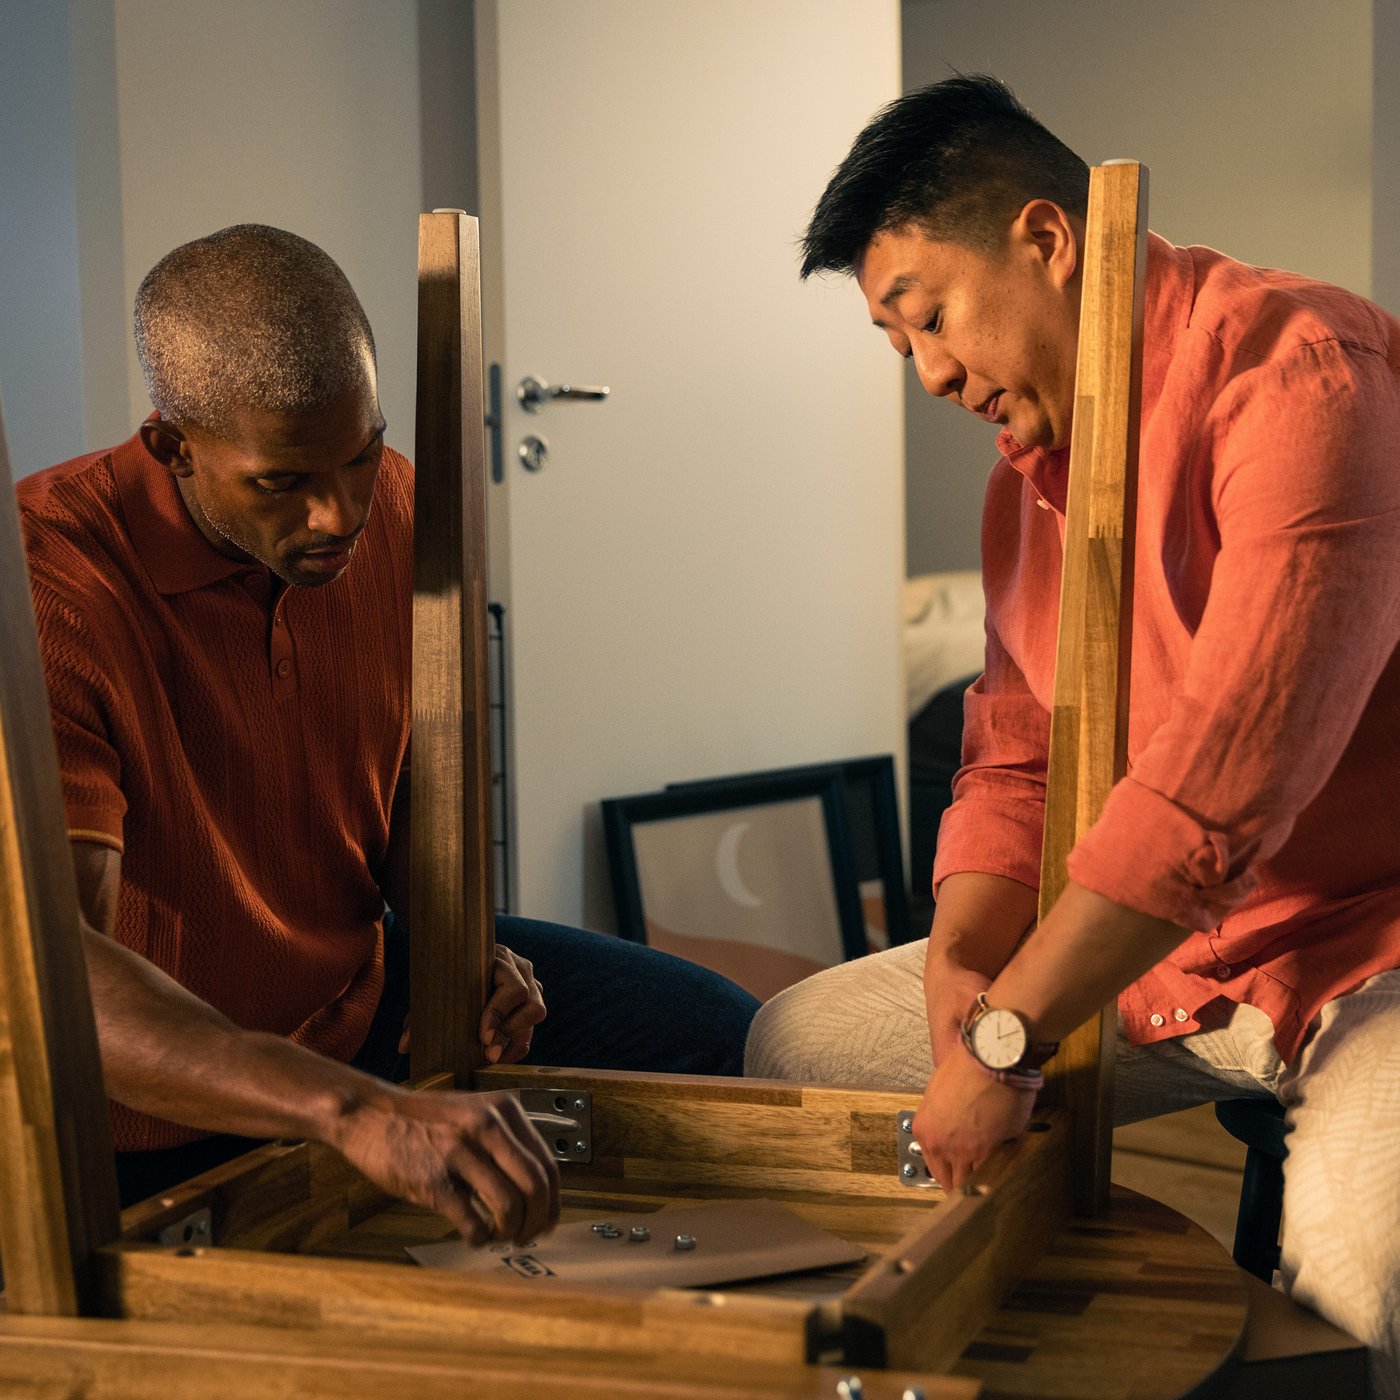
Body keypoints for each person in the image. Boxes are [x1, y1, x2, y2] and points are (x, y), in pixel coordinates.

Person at [744, 75, 1400, 1393]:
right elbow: (1012, 761)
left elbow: (1226, 793)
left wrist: (1010, 1037)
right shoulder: (1025, 485)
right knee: (799, 1048)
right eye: (896, 346)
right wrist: (964, 988)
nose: (928, 374)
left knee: (1357, 1277)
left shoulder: (1307, 374)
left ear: (1048, 242)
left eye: (929, 319)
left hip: (1366, 945)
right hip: (1179, 962)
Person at [17, 224, 759, 1247]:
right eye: (282, 482)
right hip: (163, 1108)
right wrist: (354, 1110)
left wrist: (463, 945)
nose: (338, 515)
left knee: (711, 1033)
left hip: (357, 1001)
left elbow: (406, 782)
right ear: (173, 447)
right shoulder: (46, 593)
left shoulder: (400, 506)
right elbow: (58, 977)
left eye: (359, 457)